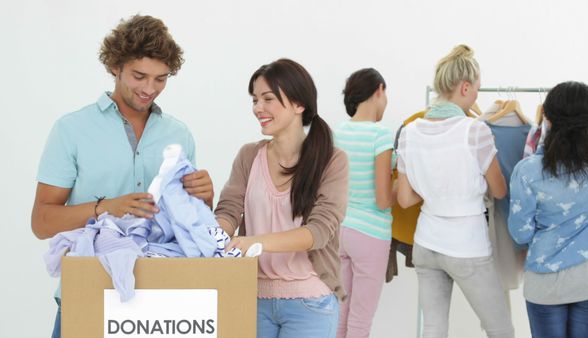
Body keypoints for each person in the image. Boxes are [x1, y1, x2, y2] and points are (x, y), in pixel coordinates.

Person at [31, 15, 213, 338]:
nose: (149, 89)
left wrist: (204, 196)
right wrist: (104, 208)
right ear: (115, 66)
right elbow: (42, 221)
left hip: (162, 306)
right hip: (88, 295)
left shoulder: (179, 134)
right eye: (139, 76)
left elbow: (192, 225)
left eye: (161, 79)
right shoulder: (71, 130)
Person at [214, 58, 348, 338]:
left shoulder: (332, 161)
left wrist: (255, 243)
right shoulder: (249, 156)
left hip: (310, 303)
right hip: (253, 298)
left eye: (268, 99)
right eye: (254, 100)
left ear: (299, 105)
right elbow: (228, 210)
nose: (258, 108)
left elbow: (319, 231)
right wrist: (214, 236)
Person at [396, 44, 514, 338]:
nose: (476, 96)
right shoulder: (475, 131)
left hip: (426, 243)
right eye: (476, 89)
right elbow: (499, 191)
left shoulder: (410, 132)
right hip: (467, 245)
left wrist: (435, 184)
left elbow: (405, 198)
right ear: (464, 87)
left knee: (433, 329)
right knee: (500, 328)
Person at [508, 81, 588, 338]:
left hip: (546, 284)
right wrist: (584, 111)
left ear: (546, 116)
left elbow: (521, 234)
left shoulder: (526, 171)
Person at [333, 68, 395, 338]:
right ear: (379, 90)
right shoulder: (380, 135)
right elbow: (382, 200)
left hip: (339, 232)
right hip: (370, 234)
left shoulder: (337, 134)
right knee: (361, 321)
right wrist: (401, 187)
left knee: (339, 316)